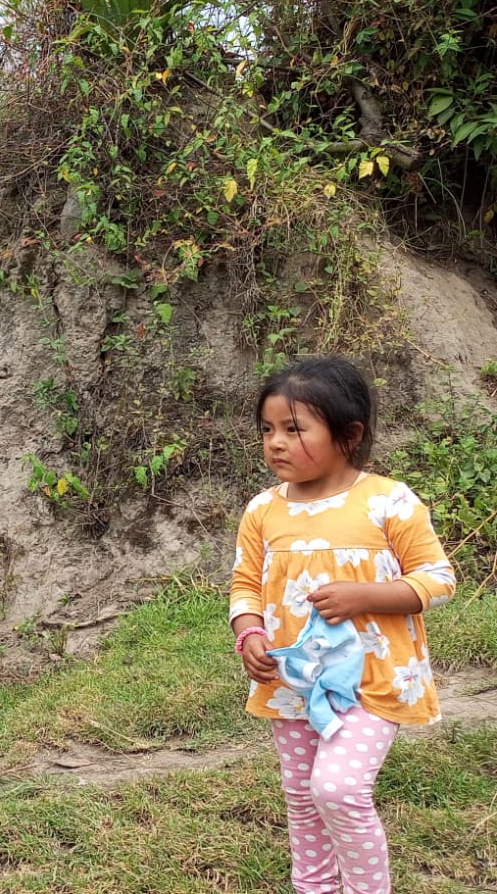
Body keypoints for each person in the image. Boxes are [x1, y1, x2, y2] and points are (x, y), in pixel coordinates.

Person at [230, 357, 455, 894]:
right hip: (293, 683)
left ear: (348, 435)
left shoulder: (388, 502)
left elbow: (438, 579)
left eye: (294, 429)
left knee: (338, 789)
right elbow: (245, 584)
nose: (275, 443)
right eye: (267, 429)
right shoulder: (262, 510)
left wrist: (365, 596)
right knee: (302, 798)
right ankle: (314, 887)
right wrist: (250, 632)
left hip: (373, 680)